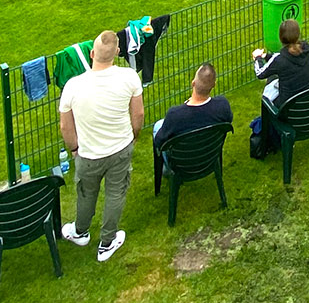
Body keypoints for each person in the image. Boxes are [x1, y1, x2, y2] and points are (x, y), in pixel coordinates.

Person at [58, 30, 143, 262]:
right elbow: (139, 113)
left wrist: (74, 148)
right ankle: (107, 242)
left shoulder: (73, 86)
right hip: (121, 148)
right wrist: (134, 135)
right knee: (116, 193)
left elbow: (65, 127)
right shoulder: (130, 77)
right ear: (117, 52)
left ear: (92, 53)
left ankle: (80, 232)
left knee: (86, 193)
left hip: (88, 154)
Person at [252, 19, 309, 156]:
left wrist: (258, 58)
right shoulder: (307, 48)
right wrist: (267, 56)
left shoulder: (280, 60)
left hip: (289, 110)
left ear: (281, 38)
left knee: (268, 92)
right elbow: (283, 57)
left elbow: (260, 73)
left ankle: (266, 139)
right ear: (298, 34)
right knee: (275, 80)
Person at [152, 62, 233, 151]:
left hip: (182, 162)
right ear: (214, 85)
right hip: (209, 156)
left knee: (158, 126)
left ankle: (159, 165)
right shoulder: (222, 106)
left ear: (193, 83)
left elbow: (159, 142)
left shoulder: (175, 115)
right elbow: (228, 121)